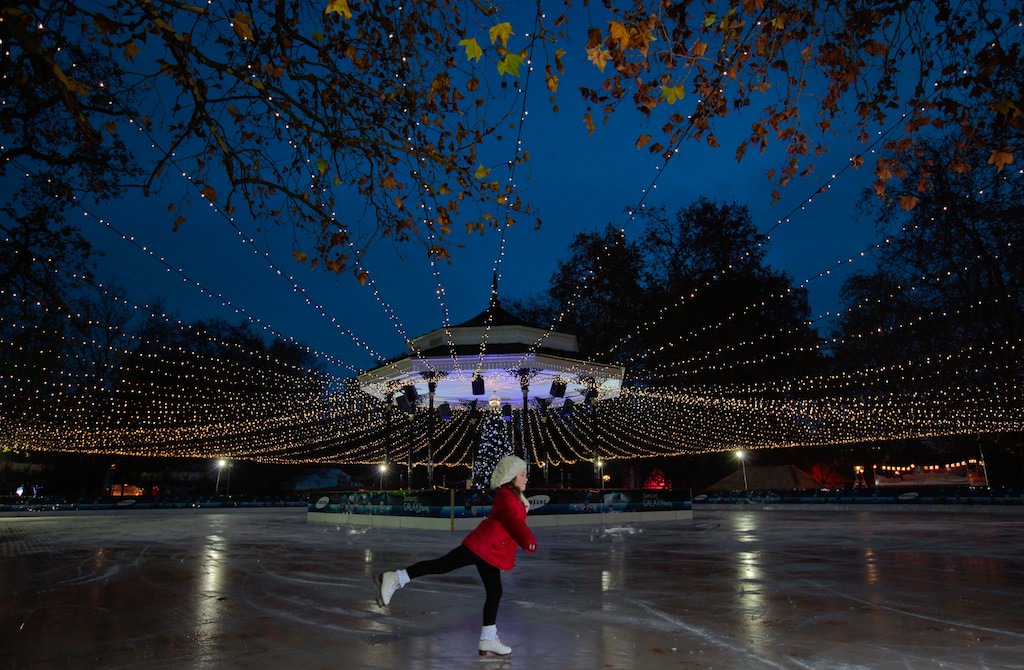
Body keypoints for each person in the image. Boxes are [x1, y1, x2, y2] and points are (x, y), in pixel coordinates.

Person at [375, 455, 538, 657]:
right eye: (522, 474)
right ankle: (396, 577)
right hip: (483, 546)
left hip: (490, 550)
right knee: (443, 565)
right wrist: (527, 539)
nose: (526, 479)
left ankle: (488, 639)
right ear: (512, 477)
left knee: (493, 591)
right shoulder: (507, 497)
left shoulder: (513, 498)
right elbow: (514, 522)